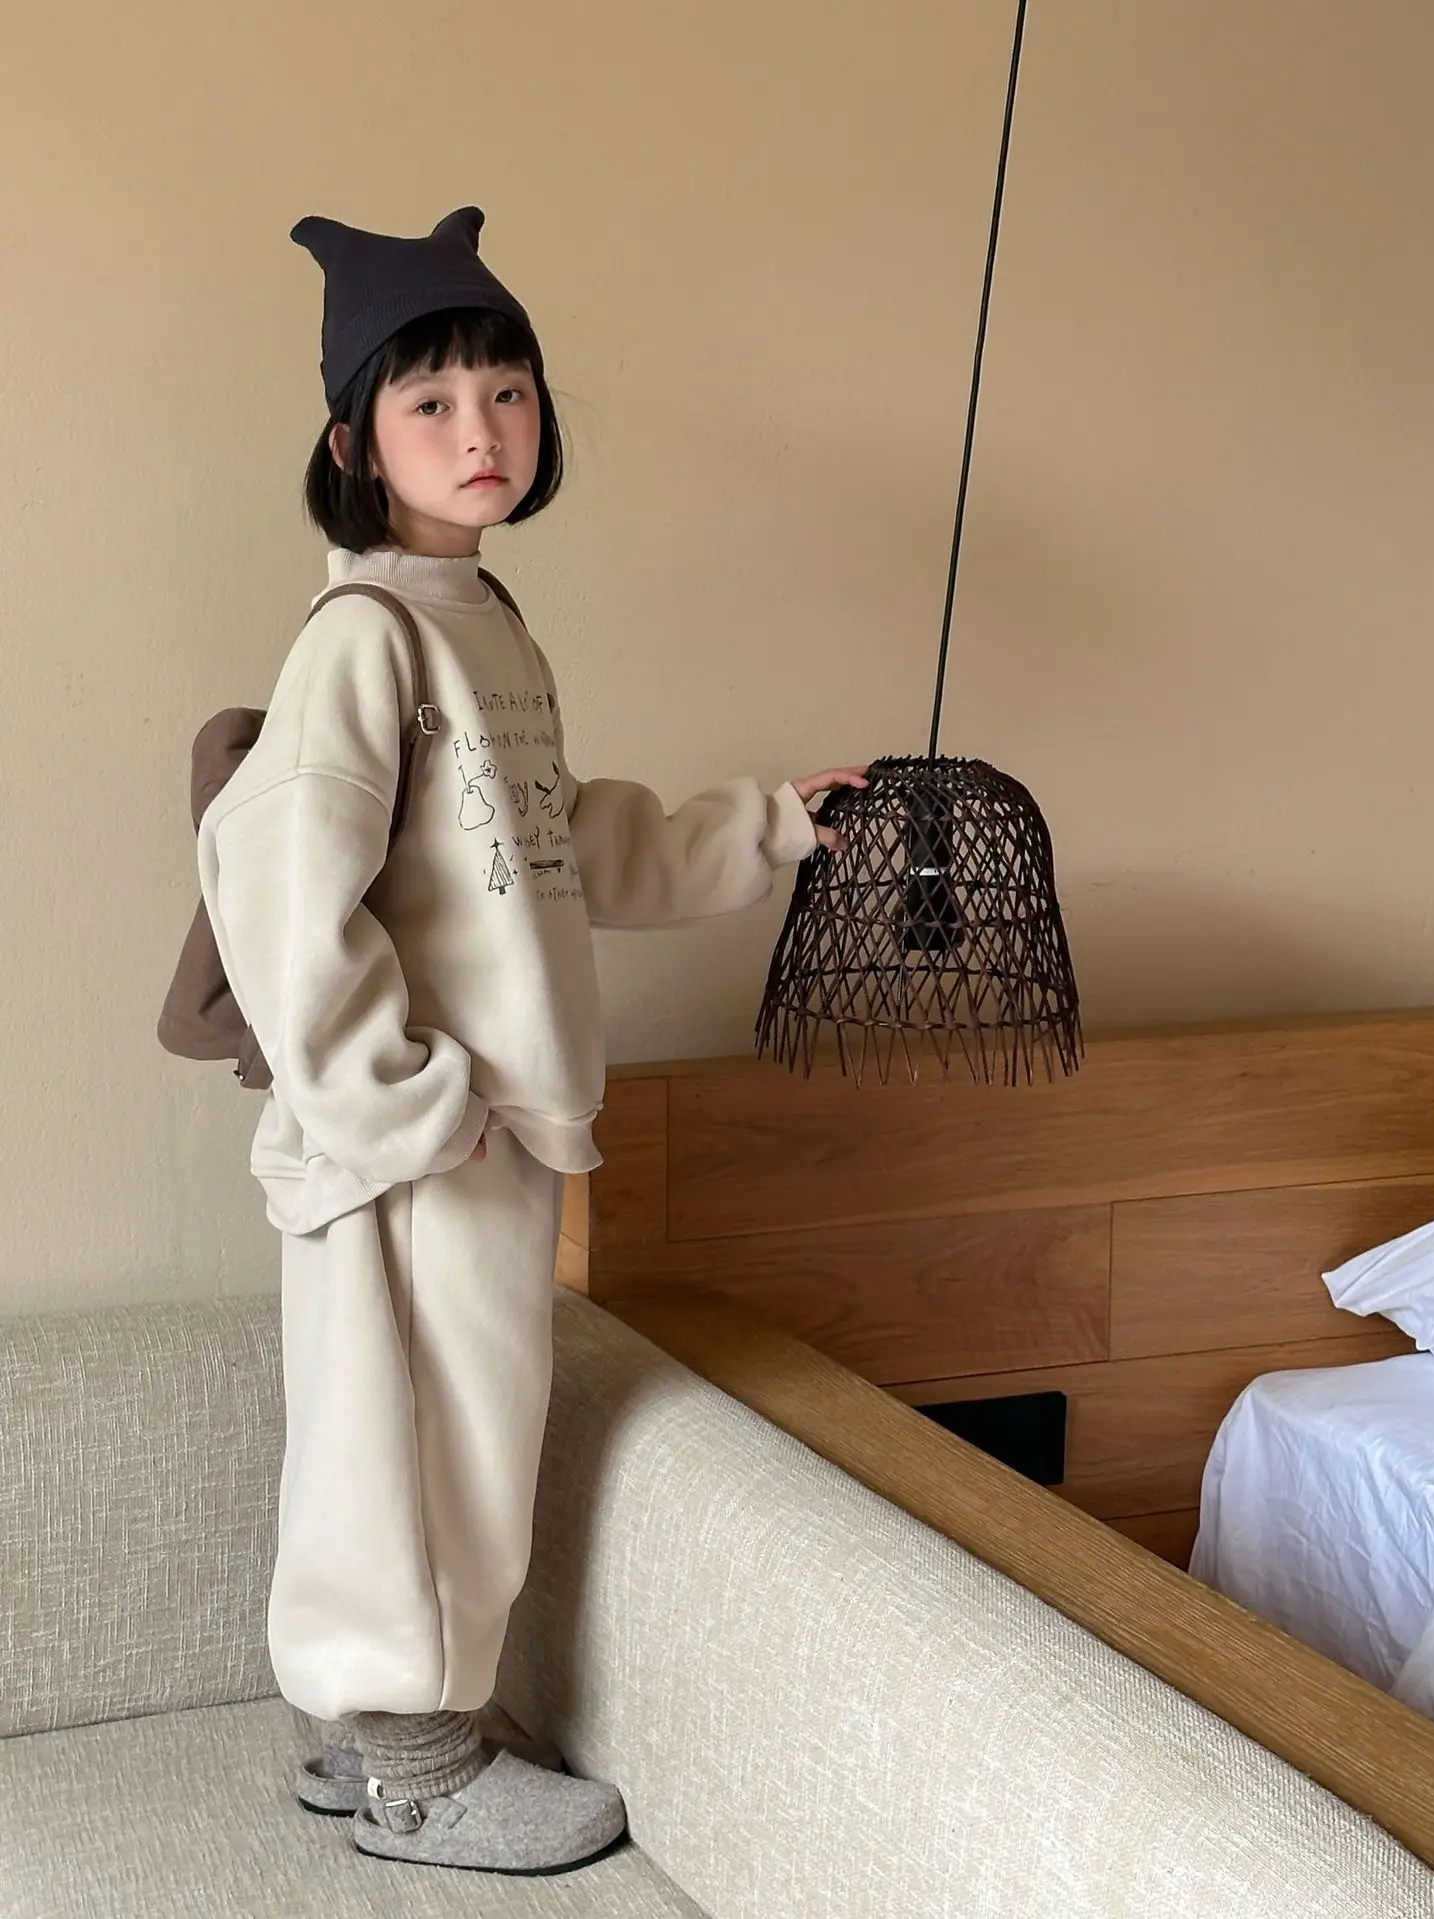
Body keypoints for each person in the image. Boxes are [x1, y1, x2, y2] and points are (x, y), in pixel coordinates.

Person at [197, 205, 868, 1876]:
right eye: (430, 401)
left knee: (436, 1431)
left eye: (507, 389)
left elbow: (557, 844)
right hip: (419, 1139)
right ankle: (419, 1772)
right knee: (420, 1444)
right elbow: (278, 889)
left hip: (470, 1124)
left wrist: (770, 826)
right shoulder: (365, 637)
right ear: (352, 443)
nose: (480, 427)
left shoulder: (478, 619)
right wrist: (412, 1104)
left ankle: (366, 1746)